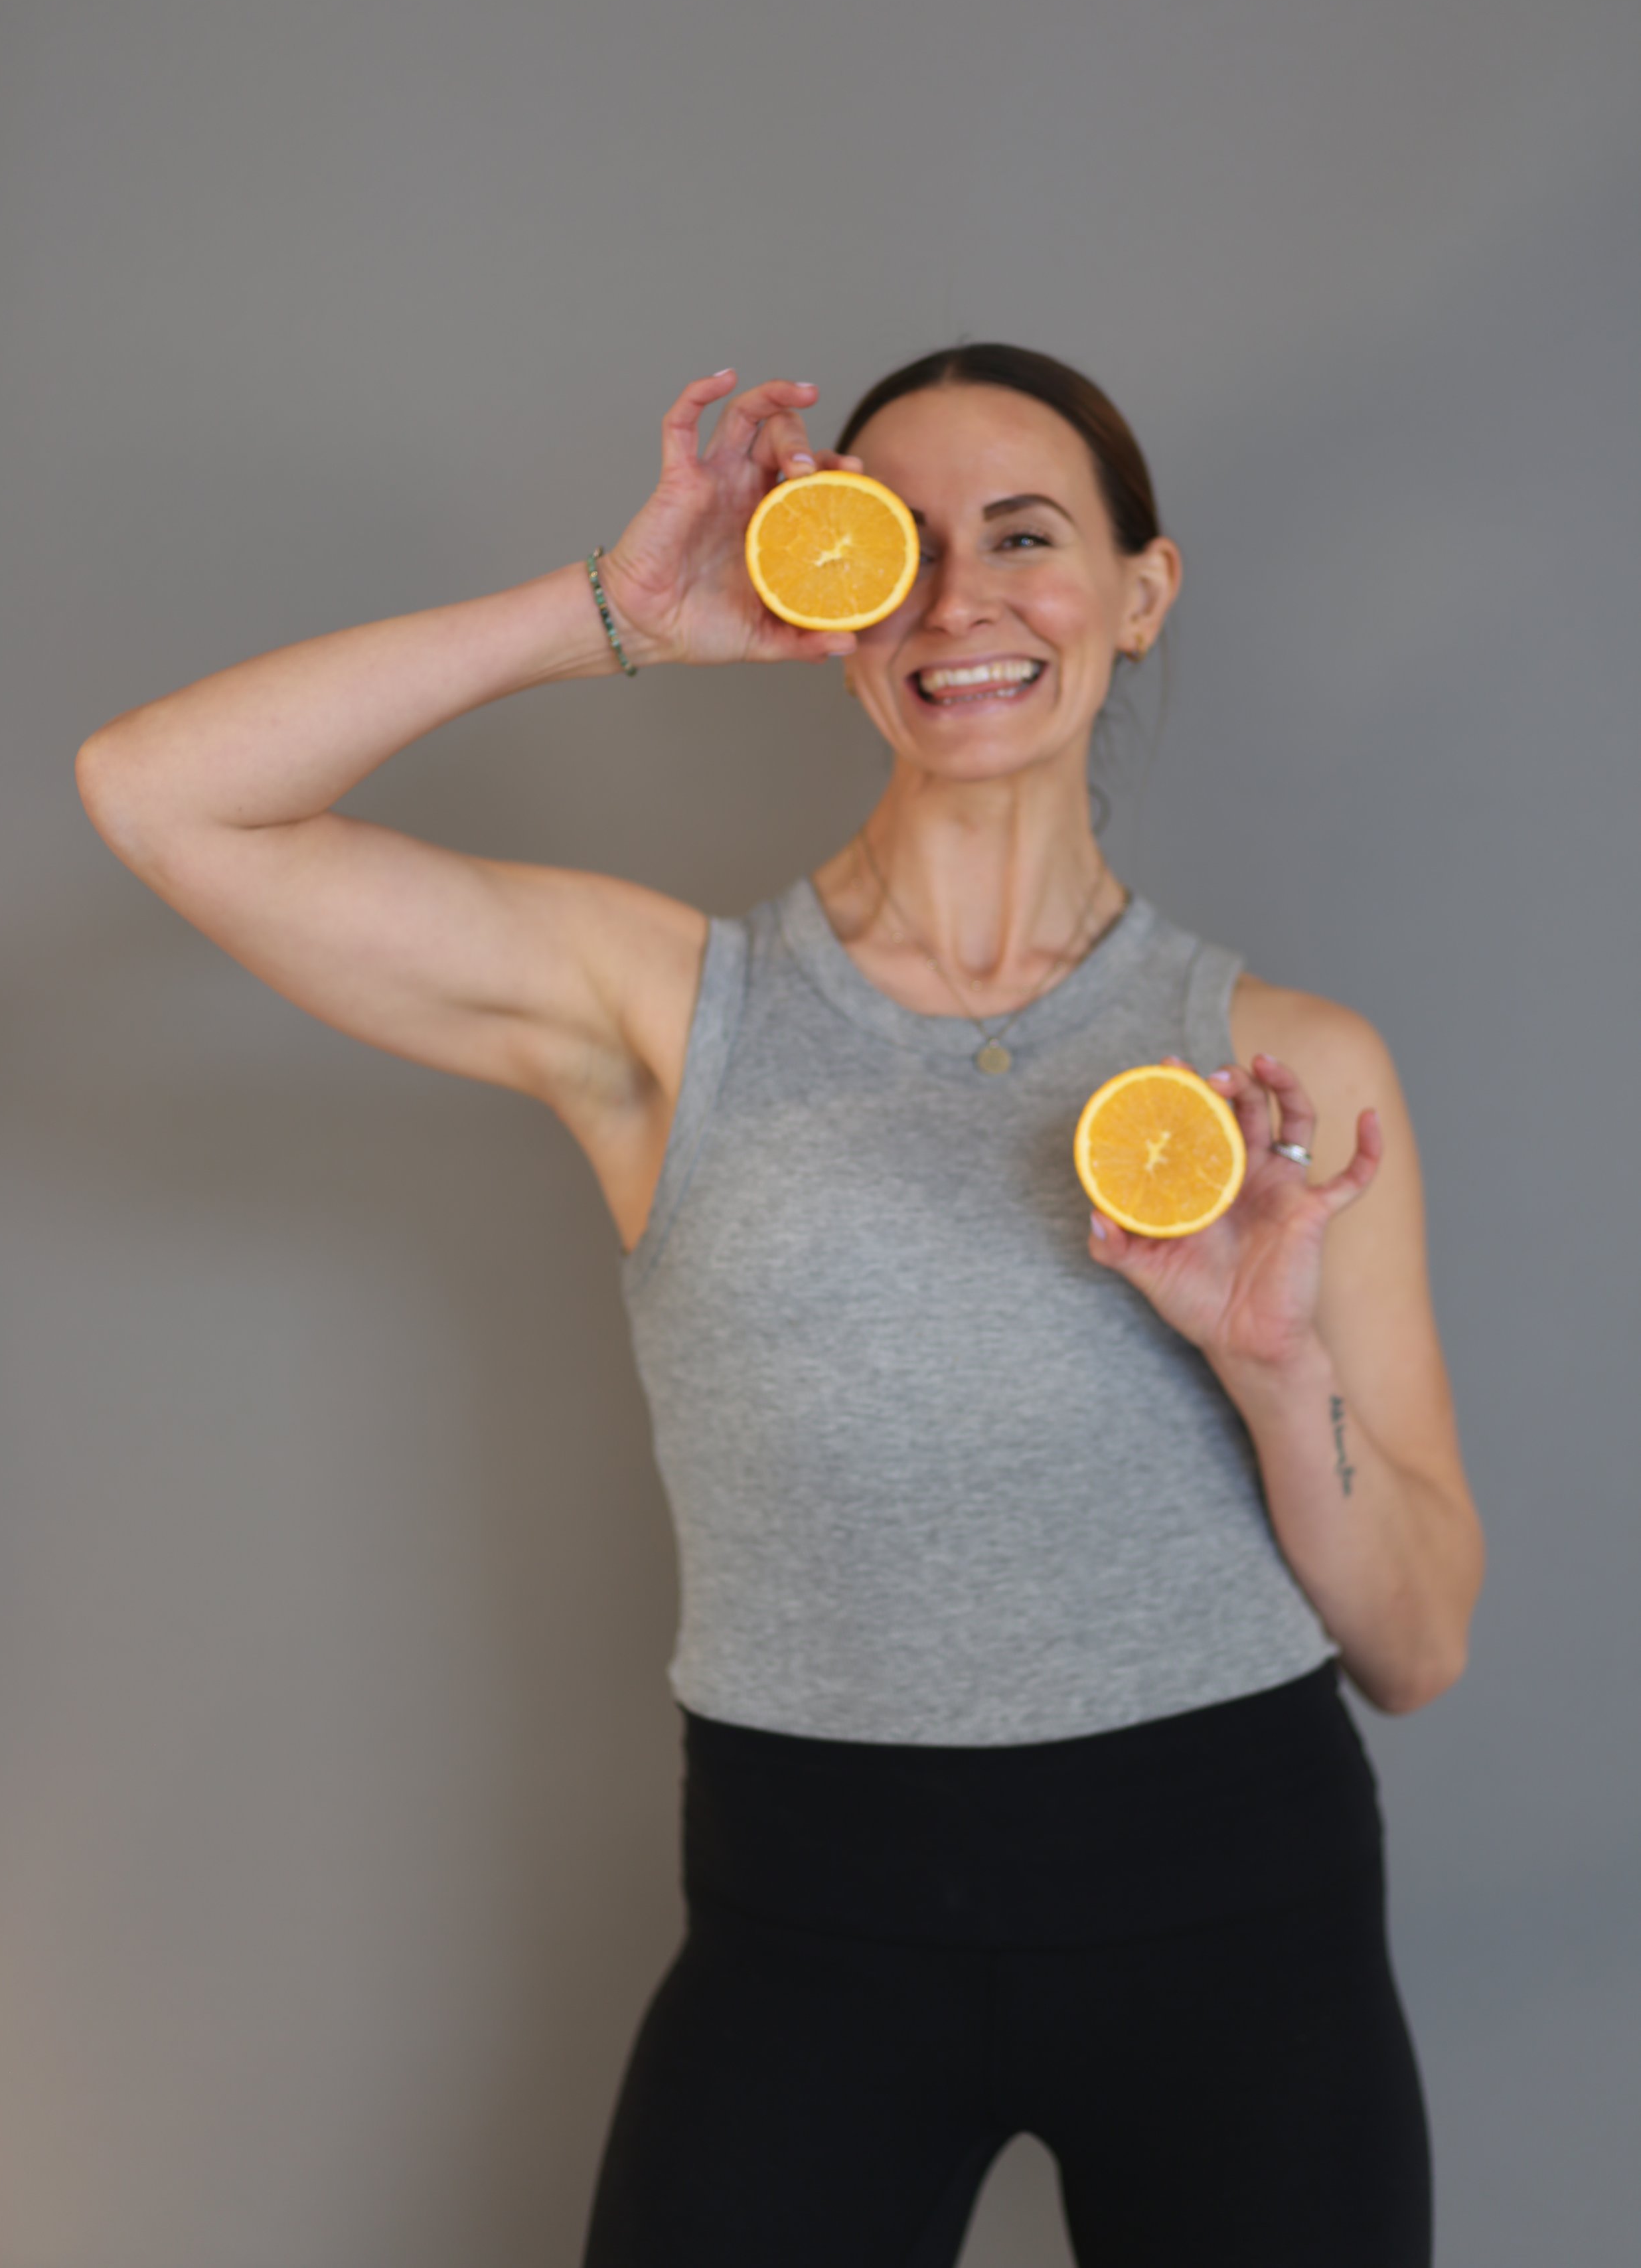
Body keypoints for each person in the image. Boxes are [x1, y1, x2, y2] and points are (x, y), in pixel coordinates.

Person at [76, 344, 1484, 2267]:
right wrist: (612, 614)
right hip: (813, 1923)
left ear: (1139, 593)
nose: (960, 599)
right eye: (893, 547)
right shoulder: (670, 1013)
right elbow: (160, 796)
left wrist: (1273, 1362)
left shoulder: (1292, 1068)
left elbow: (1412, 1646)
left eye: (1024, 537)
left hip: (1237, 1913)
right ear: (828, 599)